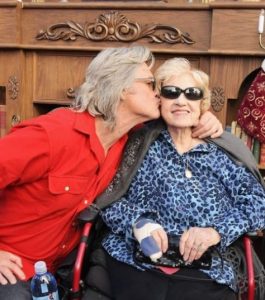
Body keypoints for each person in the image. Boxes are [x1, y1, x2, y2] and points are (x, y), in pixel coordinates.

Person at [0, 46, 222, 299]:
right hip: (14, 269)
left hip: (63, 268)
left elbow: (180, 114)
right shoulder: (51, 135)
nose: (158, 93)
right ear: (121, 88)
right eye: (151, 84)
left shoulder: (128, 141)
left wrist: (205, 116)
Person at [99, 58, 265, 300]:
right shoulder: (138, 145)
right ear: (159, 100)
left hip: (207, 266)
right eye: (171, 92)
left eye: (192, 94)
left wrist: (215, 232)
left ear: (202, 104)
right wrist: (138, 223)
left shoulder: (223, 152)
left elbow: (258, 204)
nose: (181, 100)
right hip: (137, 260)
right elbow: (108, 198)